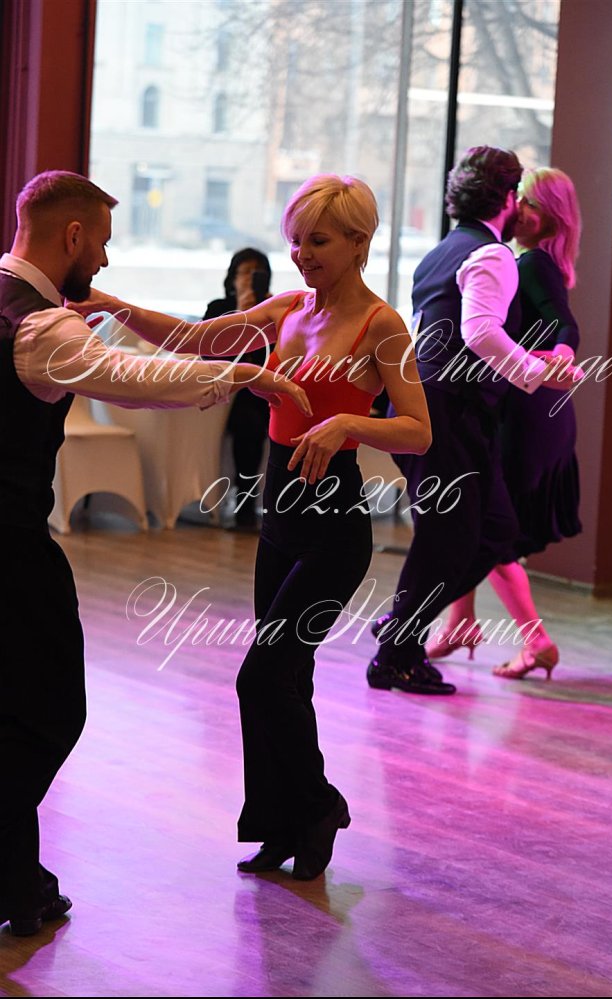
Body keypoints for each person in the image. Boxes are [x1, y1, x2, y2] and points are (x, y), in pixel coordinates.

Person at [73, 174, 432, 880]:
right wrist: (112, 305)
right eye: (296, 240)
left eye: (318, 241)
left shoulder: (382, 325)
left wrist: (347, 421)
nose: (302, 255)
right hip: (279, 515)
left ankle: (320, 805)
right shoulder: (287, 309)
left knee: (261, 677)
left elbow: (419, 429)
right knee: (287, 677)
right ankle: (283, 822)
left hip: (334, 525)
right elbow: (194, 339)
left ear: (359, 242)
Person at [0, 170, 307, 936]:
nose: (103, 259)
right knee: (51, 711)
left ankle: (18, 881)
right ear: (72, 235)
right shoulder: (40, 330)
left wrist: (242, 332)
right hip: (10, 551)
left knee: (12, 709)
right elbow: (134, 378)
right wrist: (245, 374)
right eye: (101, 242)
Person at [367, 146, 582, 696]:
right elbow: (480, 332)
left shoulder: (440, 253)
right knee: (450, 539)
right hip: (449, 412)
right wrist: (537, 372)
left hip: (440, 408)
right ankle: (397, 652)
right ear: (507, 199)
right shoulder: (492, 255)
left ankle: (401, 631)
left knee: (492, 532)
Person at [426, 167, 582, 680]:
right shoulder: (527, 261)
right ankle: (461, 621)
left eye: (528, 203)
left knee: (492, 531)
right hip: (528, 409)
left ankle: (536, 641)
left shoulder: (531, 263)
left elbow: (564, 323)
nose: (518, 208)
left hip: (527, 415)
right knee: (478, 520)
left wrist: (560, 354)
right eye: (517, 199)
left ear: (548, 216)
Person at [203, 249, 272, 531]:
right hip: (227, 392)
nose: (250, 279)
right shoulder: (219, 309)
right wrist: (242, 316)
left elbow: (274, 360)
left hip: (264, 392)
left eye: (257, 273)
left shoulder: (274, 313)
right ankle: (245, 503)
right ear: (232, 277)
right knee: (249, 422)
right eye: (245, 272)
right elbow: (210, 356)